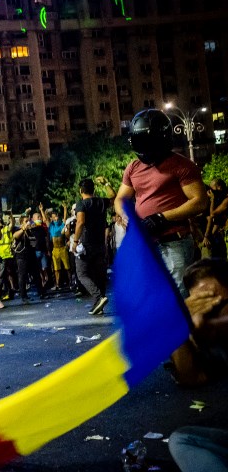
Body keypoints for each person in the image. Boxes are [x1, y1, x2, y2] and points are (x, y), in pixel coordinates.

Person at [114, 108, 208, 299]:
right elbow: (120, 199)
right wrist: (126, 217)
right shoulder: (133, 167)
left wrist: (161, 218)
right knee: (151, 297)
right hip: (145, 243)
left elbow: (199, 202)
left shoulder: (182, 165)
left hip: (174, 242)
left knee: (177, 298)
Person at [167, 258, 228, 471]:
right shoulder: (216, 342)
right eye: (204, 305)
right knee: (183, 440)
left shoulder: (215, 330)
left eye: (218, 303)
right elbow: (190, 376)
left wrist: (210, 327)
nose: (210, 310)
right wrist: (177, 323)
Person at [71, 176, 116, 315]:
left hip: (86, 244)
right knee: (99, 274)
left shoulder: (82, 204)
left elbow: (80, 222)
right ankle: (99, 305)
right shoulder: (101, 202)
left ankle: (99, 297)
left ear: (80, 191)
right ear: (94, 189)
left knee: (82, 273)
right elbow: (114, 197)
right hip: (100, 244)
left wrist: (75, 241)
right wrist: (106, 183)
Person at [202, 178, 228, 260]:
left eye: (212, 188)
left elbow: (212, 214)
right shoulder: (220, 198)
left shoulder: (226, 199)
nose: (210, 191)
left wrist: (206, 236)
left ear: (219, 187)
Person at [47, 203, 70, 290]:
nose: (56, 218)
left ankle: (70, 282)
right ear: (52, 218)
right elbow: (46, 219)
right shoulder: (51, 226)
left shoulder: (61, 225)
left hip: (62, 248)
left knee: (67, 267)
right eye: (54, 217)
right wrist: (42, 210)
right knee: (56, 269)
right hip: (55, 249)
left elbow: (64, 219)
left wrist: (65, 209)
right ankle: (57, 284)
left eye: (56, 216)